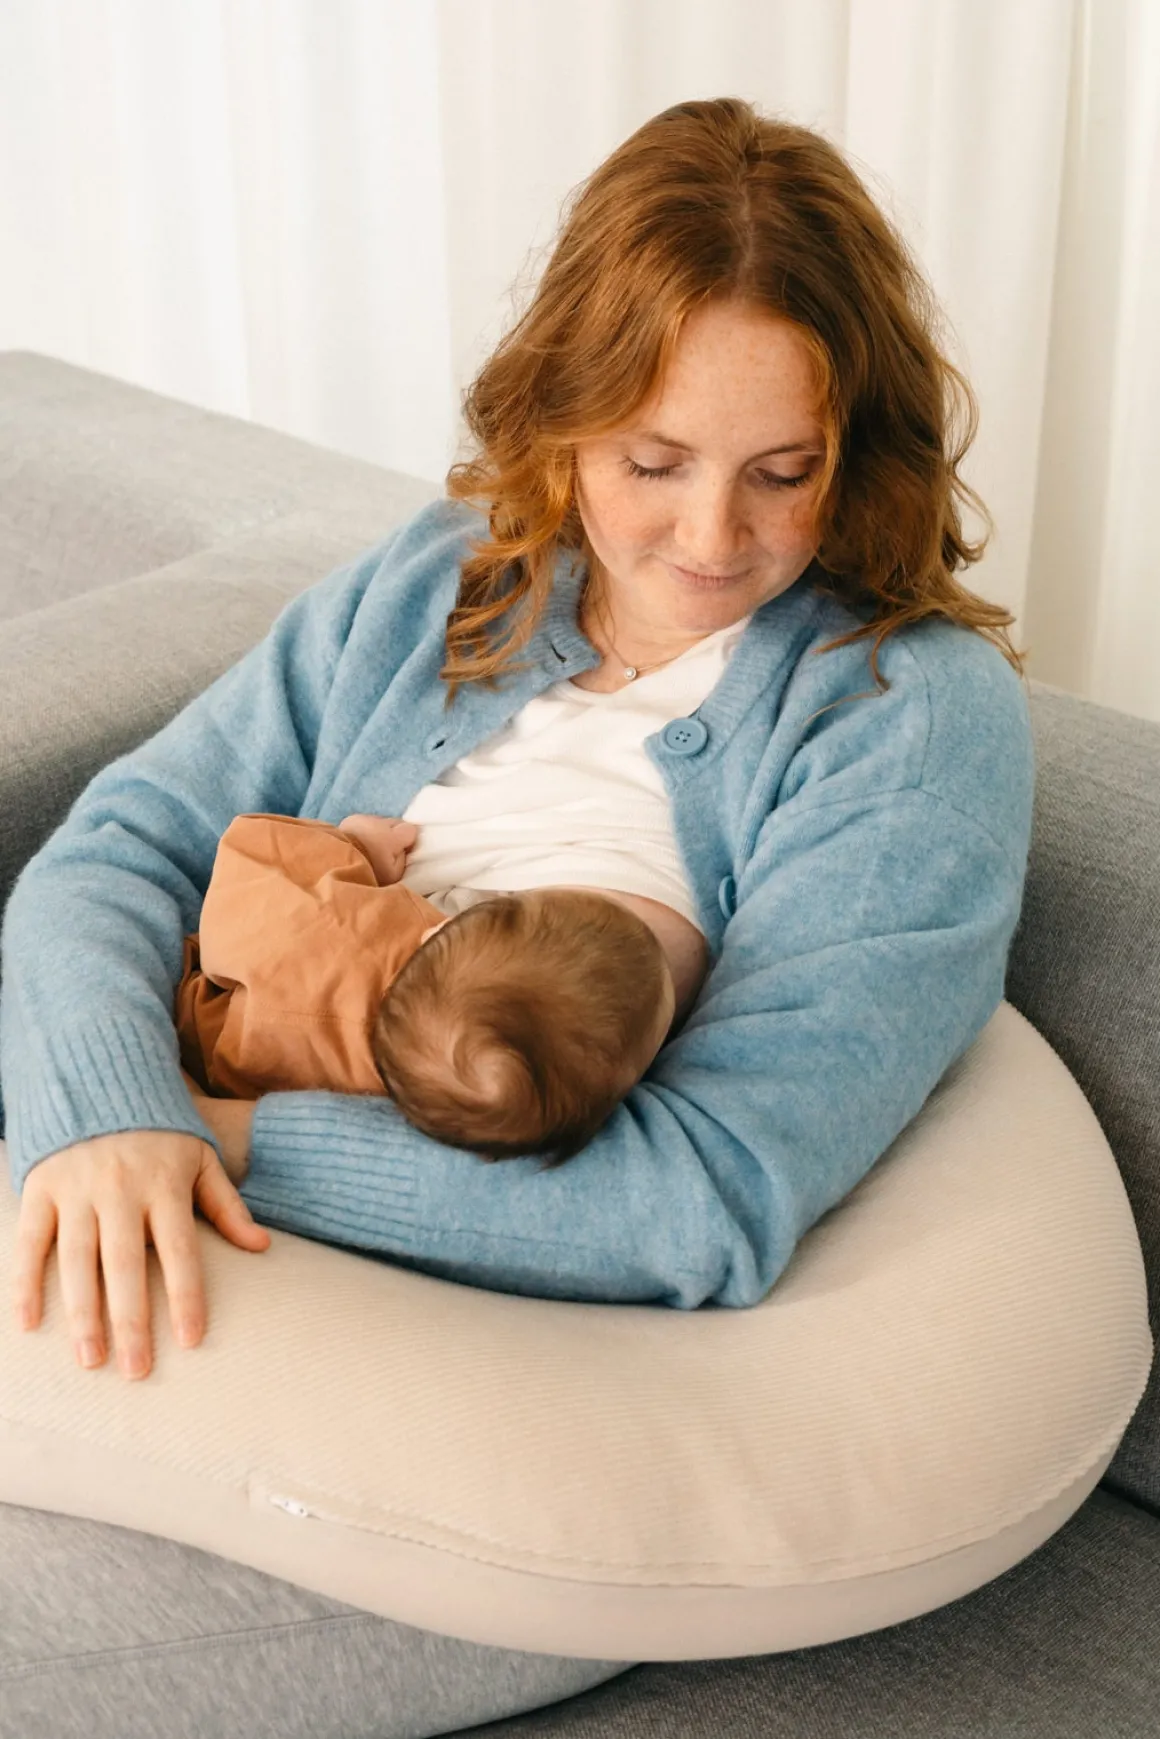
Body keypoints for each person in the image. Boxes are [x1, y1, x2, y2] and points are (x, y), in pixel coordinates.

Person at [0, 97, 1034, 1739]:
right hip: (165, 1202)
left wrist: (220, 1134)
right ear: (562, 419)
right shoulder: (446, 580)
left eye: (784, 473)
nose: (713, 539)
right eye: (653, 463)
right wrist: (105, 1109)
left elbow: (700, 1194)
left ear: (862, 449)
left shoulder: (908, 718)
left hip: (459, 1382)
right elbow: (120, 842)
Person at [175, 806, 708, 1165]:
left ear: (442, 925)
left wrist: (354, 845)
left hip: (194, 1016)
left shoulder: (349, 927)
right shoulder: (390, 1094)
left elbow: (251, 855)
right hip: (217, 1071)